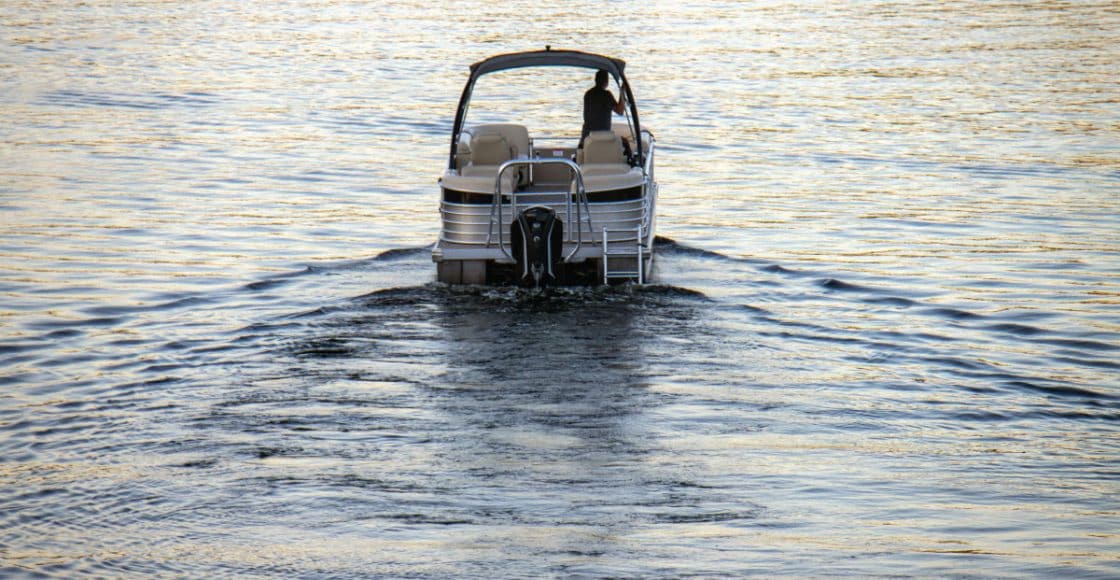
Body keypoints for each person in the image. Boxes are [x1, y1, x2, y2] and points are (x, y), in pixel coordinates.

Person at [581, 69, 625, 146]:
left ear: (595, 80)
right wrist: (622, 92)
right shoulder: (606, 95)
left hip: (587, 137)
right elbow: (620, 111)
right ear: (606, 81)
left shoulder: (588, 94)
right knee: (625, 143)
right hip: (603, 137)